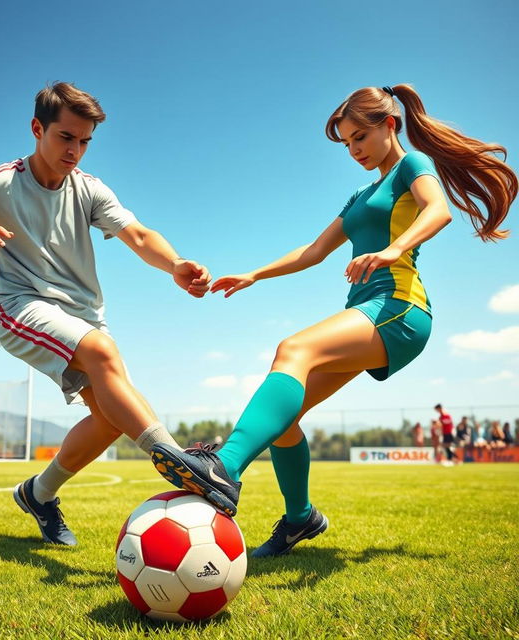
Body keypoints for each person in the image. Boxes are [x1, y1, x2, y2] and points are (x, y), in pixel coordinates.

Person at [150, 84, 517, 557]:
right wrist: (255, 274)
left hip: (400, 307)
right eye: (346, 143)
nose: (354, 150)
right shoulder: (361, 195)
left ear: (390, 125)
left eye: (360, 137)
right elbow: (314, 251)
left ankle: (224, 467)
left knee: (292, 350)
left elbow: (439, 210)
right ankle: (301, 519)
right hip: (366, 311)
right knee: (286, 417)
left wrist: (394, 249)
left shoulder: (412, 166)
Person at [0, 82, 211, 546]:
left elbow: (139, 235)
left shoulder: (90, 189)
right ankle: (177, 459)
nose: (76, 150)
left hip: (83, 315)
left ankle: (39, 493)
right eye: (66, 137)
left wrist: (174, 264)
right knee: (103, 353)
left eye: (85, 141)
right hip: (19, 305)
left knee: (111, 416)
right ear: (37, 129)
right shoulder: (0, 181)